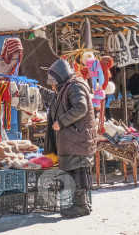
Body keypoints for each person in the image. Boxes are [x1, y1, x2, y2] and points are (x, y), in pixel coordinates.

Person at [40, 58, 97, 217]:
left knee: (77, 172)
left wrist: (61, 122)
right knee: (76, 171)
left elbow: (81, 107)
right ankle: (83, 204)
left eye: (53, 83)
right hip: (75, 139)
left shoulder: (74, 86)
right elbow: (55, 98)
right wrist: (38, 89)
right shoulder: (68, 86)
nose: (52, 87)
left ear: (59, 78)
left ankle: (80, 206)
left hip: (77, 139)